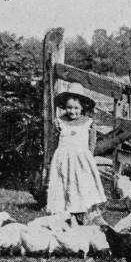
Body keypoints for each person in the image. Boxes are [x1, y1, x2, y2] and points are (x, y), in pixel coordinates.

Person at [46, 93, 106, 224]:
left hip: (81, 161)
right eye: (69, 108)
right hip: (64, 160)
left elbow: (92, 142)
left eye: (76, 108)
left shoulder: (88, 123)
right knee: (64, 185)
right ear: (64, 107)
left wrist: (88, 156)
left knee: (82, 185)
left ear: (82, 108)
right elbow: (53, 141)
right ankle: (65, 216)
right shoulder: (59, 122)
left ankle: (83, 214)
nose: (72, 111)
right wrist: (53, 159)